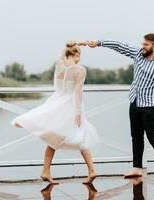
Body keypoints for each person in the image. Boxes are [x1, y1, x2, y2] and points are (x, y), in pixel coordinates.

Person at [85, 33, 154, 178]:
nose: (143, 46)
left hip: (152, 106)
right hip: (135, 102)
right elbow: (119, 46)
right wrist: (99, 42)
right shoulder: (138, 53)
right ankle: (137, 168)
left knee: (153, 136)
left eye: (146, 44)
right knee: (136, 136)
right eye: (142, 43)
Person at [11, 41, 99, 184]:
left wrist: (67, 47)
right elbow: (78, 92)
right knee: (80, 136)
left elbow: (60, 68)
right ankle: (90, 170)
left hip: (57, 102)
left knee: (55, 136)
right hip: (71, 105)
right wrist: (78, 112)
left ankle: (46, 170)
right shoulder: (80, 70)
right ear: (76, 55)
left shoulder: (60, 66)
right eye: (79, 55)